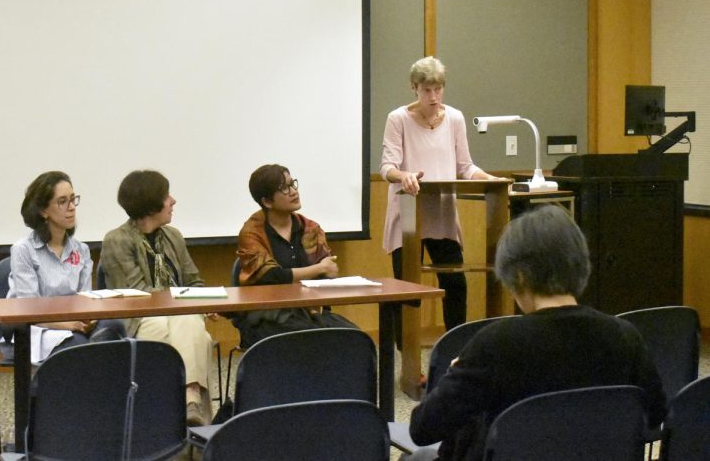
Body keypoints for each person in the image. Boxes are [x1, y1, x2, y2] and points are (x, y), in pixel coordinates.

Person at [407, 205, 666, 461]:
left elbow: (422, 429)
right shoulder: (625, 337)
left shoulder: (496, 344)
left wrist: (455, 376)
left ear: (519, 276)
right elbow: (655, 415)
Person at [380, 56, 498, 333]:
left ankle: (454, 347)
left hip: (442, 212)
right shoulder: (397, 118)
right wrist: (404, 175)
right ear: (414, 88)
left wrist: (493, 180)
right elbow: (387, 166)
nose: (433, 97)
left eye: (438, 89)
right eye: (426, 90)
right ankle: (407, 359)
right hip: (407, 212)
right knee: (408, 290)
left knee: (455, 284)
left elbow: (466, 167)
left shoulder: (455, 118)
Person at [100, 170, 215, 426]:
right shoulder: (117, 240)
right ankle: (188, 408)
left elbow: (194, 281)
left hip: (179, 313)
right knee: (193, 333)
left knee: (188, 323)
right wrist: (183, 302)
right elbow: (137, 294)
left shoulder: (173, 236)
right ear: (151, 204)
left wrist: (206, 303)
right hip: (140, 317)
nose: (172, 201)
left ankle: (185, 414)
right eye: (166, 196)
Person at [234, 164, 358, 349]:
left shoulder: (310, 229)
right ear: (267, 201)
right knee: (309, 341)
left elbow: (328, 273)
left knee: (355, 337)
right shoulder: (252, 233)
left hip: (310, 311)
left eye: (293, 184)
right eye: (285, 188)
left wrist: (324, 271)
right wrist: (318, 268)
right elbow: (272, 276)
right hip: (266, 315)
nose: (293, 191)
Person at [7, 171, 125, 363]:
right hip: (40, 327)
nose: (71, 208)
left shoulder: (81, 250)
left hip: (75, 323)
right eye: (62, 202)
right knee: (79, 345)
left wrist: (87, 319)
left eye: (73, 200)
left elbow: (85, 298)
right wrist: (67, 324)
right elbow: (30, 311)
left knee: (114, 326)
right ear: (44, 210)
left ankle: (107, 389)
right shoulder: (23, 250)